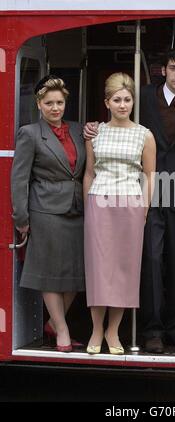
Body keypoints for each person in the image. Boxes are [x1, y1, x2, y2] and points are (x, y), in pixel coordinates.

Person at [84, 48, 175, 353]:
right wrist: (92, 127)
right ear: (163, 70)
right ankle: (152, 329)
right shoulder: (142, 95)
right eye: (173, 68)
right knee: (150, 260)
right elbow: (117, 119)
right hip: (143, 188)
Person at [11, 75, 86, 352]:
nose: (55, 108)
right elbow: (19, 178)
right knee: (50, 273)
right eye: (49, 103)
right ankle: (62, 328)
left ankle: (54, 323)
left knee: (77, 274)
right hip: (44, 211)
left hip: (77, 209)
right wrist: (21, 218)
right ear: (39, 105)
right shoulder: (29, 133)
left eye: (60, 102)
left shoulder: (78, 130)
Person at [83, 72, 156, 355]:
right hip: (99, 202)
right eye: (117, 100)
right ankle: (96, 329)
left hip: (130, 203)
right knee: (99, 269)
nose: (123, 104)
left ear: (133, 102)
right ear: (107, 102)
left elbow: (150, 176)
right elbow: (89, 173)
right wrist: (88, 206)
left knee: (124, 270)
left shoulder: (144, 135)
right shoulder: (95, 132)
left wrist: (144, 209)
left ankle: (113, 332)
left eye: (127, 99)